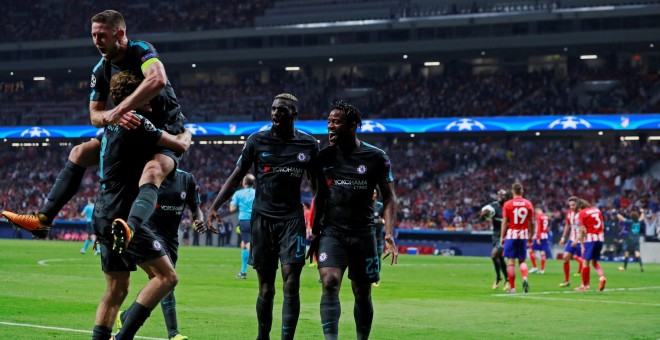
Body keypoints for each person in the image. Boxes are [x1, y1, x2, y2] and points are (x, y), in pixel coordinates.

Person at [2, 10, 187, 254]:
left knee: (153, 171)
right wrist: (112, 117)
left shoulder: (141, 51)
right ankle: (43, 220)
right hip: (129, 131)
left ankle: (131, 228)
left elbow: (158, 80)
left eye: (102, 35)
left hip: (165, 132)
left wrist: (119, 109)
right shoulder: (101, 70)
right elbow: (95, 115)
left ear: (119, 34)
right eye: (93, 35)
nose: (97, 41)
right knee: (80, 152)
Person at [206, 93, 323, 340]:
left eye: (281, 110)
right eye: (273, 109)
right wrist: (215, 206)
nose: (275, 114)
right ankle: (263, 337)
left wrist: (322, 220)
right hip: (262, 220)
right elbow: (236, 175)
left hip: (292, 220)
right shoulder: (256, 141)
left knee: (291, 283)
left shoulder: (309, 145)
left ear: (293, 114)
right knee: (266, 287)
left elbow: (317, 187)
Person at [91, 69, 192, 340]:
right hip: (122, 216)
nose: (150, 102)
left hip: (102, 212)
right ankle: (124, 336)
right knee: (167, 277)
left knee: (116, 291)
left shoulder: (109, 127)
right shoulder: (135, 121)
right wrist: (187, 134)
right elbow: (179, 146)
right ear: (131, 98)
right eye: (146, 97)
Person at [308, 100, 398, 340]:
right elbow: (319, 195)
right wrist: (314, 233)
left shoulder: (376, 157)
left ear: (352, 126)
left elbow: (390, 199)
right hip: (332, 232)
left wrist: (388, 234)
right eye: (328, 122)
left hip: (363, 234)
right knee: (329, 282)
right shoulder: (323, 157)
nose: (330, 126)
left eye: (336, 122)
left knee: (362, 292)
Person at [117, 168, 206, 340]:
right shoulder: (149, 174)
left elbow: (195, 207)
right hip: (150, 234)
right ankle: (173, 333)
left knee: (162, 281)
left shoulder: (187, 179)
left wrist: (199, 219)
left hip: (171, 238)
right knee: (168, 280)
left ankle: (126, 316)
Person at [500, 182, 534, 294]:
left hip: (511, 235)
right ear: (522, 191)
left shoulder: (508, 204)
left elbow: (504, 223)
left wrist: (502, 236)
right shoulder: (528, 204)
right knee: (522, 260)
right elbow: (532, 222)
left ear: (512, 191)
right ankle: (525, 278)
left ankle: (513, 288)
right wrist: (531, 235)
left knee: (510, 261)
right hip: (523, 235)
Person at [575, 199, 607, 291]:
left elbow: (582, 230)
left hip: (590, 239)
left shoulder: (583, 213)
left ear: (580, 207)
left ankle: (584, 286)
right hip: (600, 238)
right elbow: (603, 226)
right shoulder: (597, 210)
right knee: (594, 262)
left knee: (585, 262)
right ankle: (602, 277)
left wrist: (581, 244)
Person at [480, 189, 509, 290]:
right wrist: (483, 215)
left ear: (507, 197)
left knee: (494, 255)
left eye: (502, 196)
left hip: (506, 236)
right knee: (500, 259)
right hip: (496, 235)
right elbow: (482, 218)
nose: (500, 197)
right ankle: (505, 279)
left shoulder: (509, 207)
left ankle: (501, 279)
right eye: (499, 195)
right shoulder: (492, 206)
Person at [230, 173, 256, 279]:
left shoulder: (239, 193)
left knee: (247, 243)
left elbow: (232, 208)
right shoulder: (257, 193)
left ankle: (256, 260)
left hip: (245, 220)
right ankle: (243, 272)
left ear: (244, 182)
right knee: (243, 244)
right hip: (256, 220)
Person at [558, 196, 584, 287]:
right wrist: (563, 237)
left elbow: (584, 228)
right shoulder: (569, 213)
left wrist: (577, 239)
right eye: (570, 205)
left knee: (585, 262)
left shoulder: (582, 214)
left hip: (582, 240)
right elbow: (568, 225)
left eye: (573, 205)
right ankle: (567, 281)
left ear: (577, 204)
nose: (572, 207)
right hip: (571, 239)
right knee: (565, 257)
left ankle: (584, 284)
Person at [529, 205, 551, 274]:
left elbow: (538, 228)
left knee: (531, 251)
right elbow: (547, 228)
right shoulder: (546, 216)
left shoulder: (538, 216)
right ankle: (542, 270)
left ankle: (535, 267)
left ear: (538, 209)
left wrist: (538, 238)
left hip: (539, 236)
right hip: (545, 235)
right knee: (543, 252)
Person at [372, 189, 385, 287]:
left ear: (377, 195)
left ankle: (376, 278)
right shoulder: (364, 205)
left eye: (375, 193)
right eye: (372, 192)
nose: (373, 194)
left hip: (378, 236)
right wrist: (376, 221)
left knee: (377, 258)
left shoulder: (380, 206)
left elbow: (384, 220)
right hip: (366, 235)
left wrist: (382, 221)